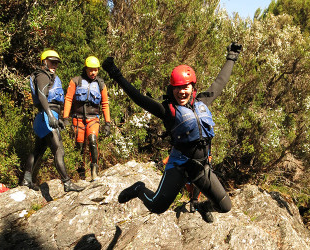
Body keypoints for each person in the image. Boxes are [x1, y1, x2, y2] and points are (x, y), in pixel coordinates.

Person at [102, 42, 242, 223]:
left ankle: (201, 206)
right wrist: (115, 74)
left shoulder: (202, 102)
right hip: (180, 167)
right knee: (156, 206)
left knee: (225, 207)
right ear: (172, 88)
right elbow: (138, 98)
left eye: (185, 87)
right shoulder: (167, 110)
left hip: (201, 168)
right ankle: (138, 189)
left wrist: (232, 57)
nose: (181, 92)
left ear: (192, 87)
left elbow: (220, 81)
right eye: (177, 87)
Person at [21, 49, 85, 192]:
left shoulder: (49, 76)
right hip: (46, 115)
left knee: (39, 149)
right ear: (44, 62)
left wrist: (59, 118)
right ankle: (67, 183)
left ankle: (26, 180)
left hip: (47, 115)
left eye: (56, 63)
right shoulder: (42, 75)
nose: (54, 65)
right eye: (52, 62)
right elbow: (43, 96)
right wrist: (50, 116)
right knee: (58, 149)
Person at [63, 56, 111, 181]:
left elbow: (105, 104)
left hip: (93, 118)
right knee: (79, 145)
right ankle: (81, 174)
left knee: (93, 141)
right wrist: (65, 118)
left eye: (95, 70)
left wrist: (108, 123)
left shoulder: (101, 84)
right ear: (86, 69)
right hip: (77, 118)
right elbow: (68, 99)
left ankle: (94, 171)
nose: (93, 72)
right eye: (90, 70)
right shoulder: (75, 81)